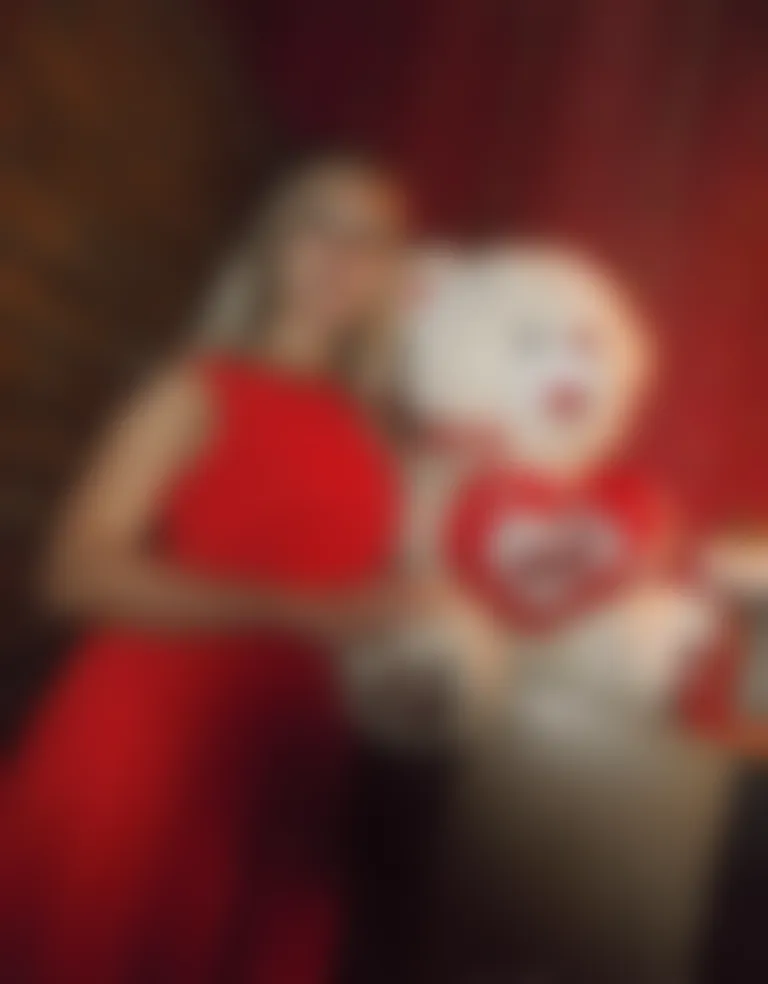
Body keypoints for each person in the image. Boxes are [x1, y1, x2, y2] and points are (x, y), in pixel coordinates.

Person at [1, 151, 422, 984]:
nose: (341, 253)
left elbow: (359, 605)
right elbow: (71, 571)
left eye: (369, 237)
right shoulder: (193, 386)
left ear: (388, 275)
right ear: (270, 246)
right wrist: (300, 610)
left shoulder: (377, 434)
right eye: (317, 224)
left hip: (279, 764)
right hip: (150, 748)